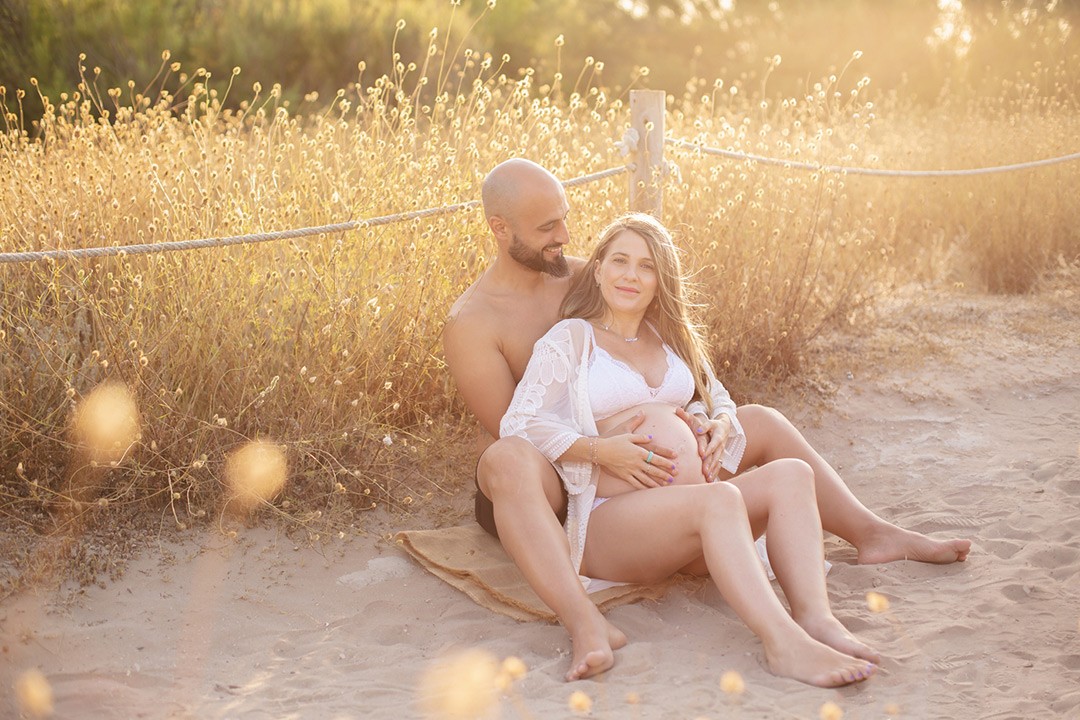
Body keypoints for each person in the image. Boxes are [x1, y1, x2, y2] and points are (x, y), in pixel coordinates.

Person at [442, 158, 970, 682]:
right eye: (547, 227)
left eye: (564, 219)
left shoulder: (591, 274)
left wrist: (707, 420)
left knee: (770, 441)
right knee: (512, 458)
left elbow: (696, 378)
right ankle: (592, 620)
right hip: (569, 485)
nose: (565, 235)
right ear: (500, 228)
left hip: (667, 483)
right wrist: (601, 446)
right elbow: (517, 430)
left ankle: (856, 557)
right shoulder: (479, 321)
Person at [500, 212, 881, 687]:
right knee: (723, 498)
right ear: (597, 269)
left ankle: (817, 619)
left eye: (646, 266)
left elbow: (714, 394)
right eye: (619, 260)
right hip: (610, 518)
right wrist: (602, 450)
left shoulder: (669, 338)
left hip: (688, 518)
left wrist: (718, 422)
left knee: (792, 475)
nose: (630, 275)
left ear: (661, 280)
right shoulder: (571, 340)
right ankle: (783, 644)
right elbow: (519, 423)